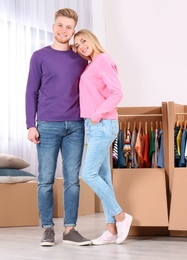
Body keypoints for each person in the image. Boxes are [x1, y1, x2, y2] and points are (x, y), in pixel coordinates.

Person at [25, 8, 91, 247]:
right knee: (45, 180)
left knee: (73, 179)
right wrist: (30, 125)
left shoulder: (81, 58)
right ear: (53, 27)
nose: (64, 30)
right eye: (60, 25)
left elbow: (92, 87)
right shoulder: (39, 56)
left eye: (69, 27)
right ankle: (47, 229)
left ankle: (70, 229)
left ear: (74, 31)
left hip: (76, 125)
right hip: (47, 125)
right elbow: (31, 91)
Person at [73, 29, 133, 245]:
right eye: (77, 45)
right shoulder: (91, 64)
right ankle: (111, 230)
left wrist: (97, 115)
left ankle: (121, 217)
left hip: (102, 123)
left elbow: (117, 92)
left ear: (92, 39)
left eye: (83, 41)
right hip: (94, 125)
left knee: (88, 174)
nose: (81, 46)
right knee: (103, 177)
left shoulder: (103, 60)